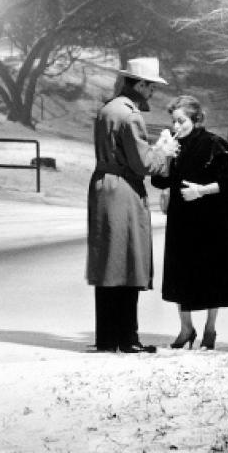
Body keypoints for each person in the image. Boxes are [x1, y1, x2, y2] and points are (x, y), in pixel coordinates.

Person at [87, 57, 178, 353]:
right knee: (128, 260)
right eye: (150, 86)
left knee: (108, 263)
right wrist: (164, 152)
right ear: (139, 84)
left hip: (103, 186)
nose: (152, 92)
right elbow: (143, 164)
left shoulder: (108, 109)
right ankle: (127, 338)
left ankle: (107, 337)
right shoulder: (131, 116)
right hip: (123, 189)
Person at [152, 94, 228, 350]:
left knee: (211, 272)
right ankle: (186, 327)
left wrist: (201, 190)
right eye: (174, 121)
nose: (176, 126)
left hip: (210, 217)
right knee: (181, 271)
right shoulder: (174, 145)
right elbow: (160, 181)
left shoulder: (213, 143)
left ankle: (210, 328)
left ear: (196, 119)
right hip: (182, 216)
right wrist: (163, 155)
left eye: (181, 121)